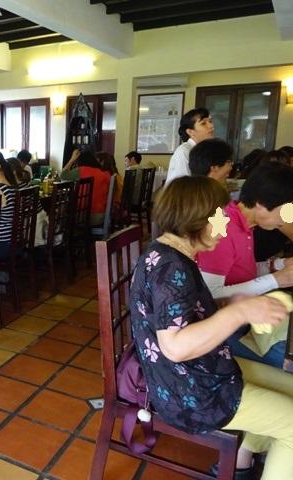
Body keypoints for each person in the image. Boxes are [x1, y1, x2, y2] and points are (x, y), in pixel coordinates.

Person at [131, 175, 293, 480]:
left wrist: (232, 304)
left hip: (200, 370)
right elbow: (175, 347)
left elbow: (185, 312)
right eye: (218, 219)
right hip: (188, 392)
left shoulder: (170, 253)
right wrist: (240, 311)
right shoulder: (171, 267)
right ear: (194, 220)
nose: (224, 227)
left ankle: (245, 460)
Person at [197, 162, 293, 368]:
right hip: (221, 330)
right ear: (261, 203)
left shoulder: (243, 223)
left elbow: (241, 271)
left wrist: (279, 264)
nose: (289, 219)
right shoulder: (222, 229)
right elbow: (210, 293)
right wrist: (275, 280)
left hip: (244, 315)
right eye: (286, 211)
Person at [165, 108, 214, 186]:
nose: (211, 126)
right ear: (190, 132)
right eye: (203, 123)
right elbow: (183, 186)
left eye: (210, 121)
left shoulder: (204, 151)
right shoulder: (184, 151)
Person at [63, 149, 111, 226]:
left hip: (86, 217)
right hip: (102, 215)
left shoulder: (80, 170)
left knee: (63, 210)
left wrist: (72, 159)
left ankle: (63, 233)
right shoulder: (103, 173)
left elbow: (63, 175)